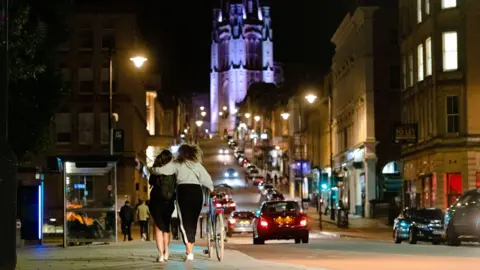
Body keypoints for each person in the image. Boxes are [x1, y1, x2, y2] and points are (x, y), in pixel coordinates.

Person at [175, 144, 214, 261]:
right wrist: (212, 189)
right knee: (193, 220)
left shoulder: (177, 165)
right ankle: (190, 246)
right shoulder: (198, 166)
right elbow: (206, 179)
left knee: (184, 221)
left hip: (183, 191)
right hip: (197, 192)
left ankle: (189, 251)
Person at [149, 150, 176, 262]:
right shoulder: (173, 171)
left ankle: (160, 255)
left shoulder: (156, 169)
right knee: (166, 227)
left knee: (158, 228)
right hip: (169, 201)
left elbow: (151, 182)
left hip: (156, 200)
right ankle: (166, 252)